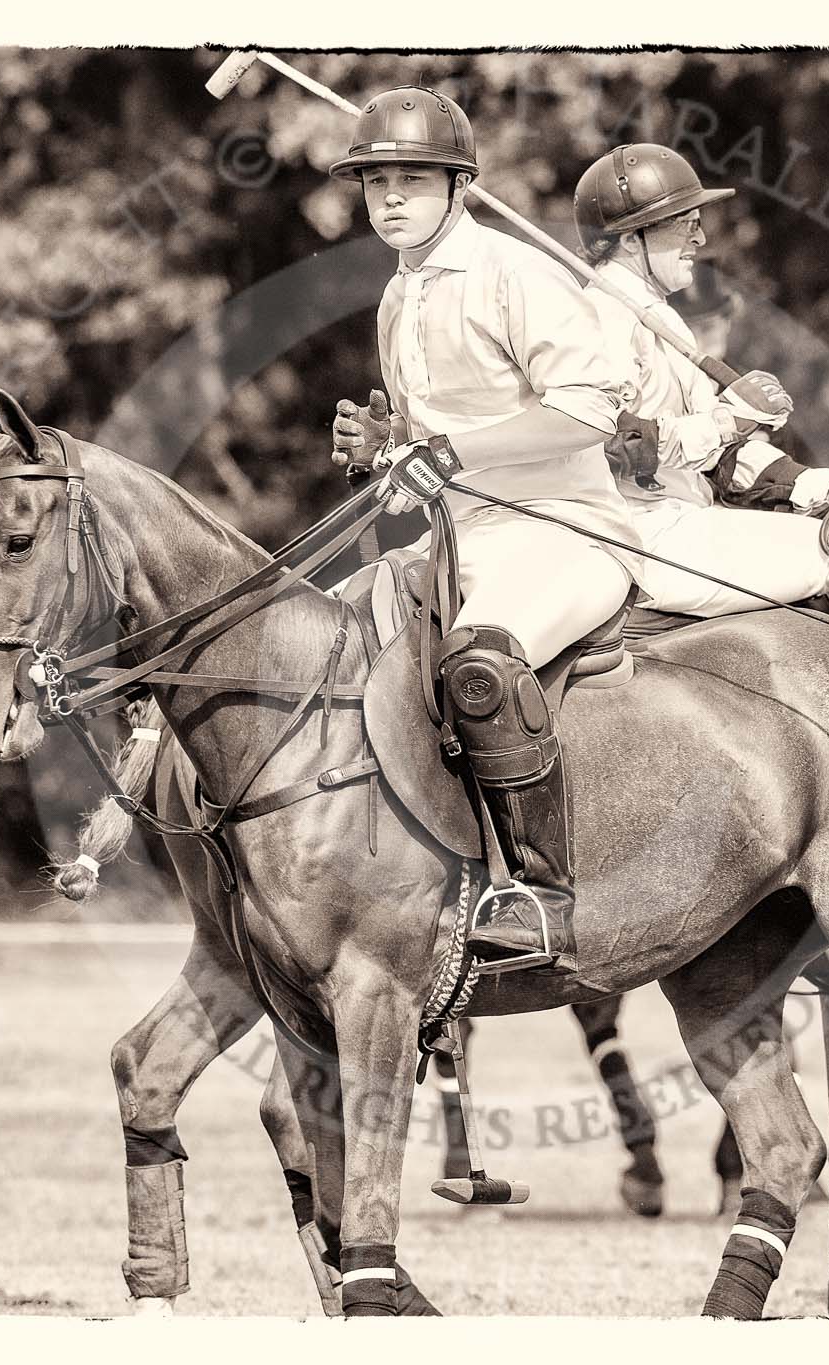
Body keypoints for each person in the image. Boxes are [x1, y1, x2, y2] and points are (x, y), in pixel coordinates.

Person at [327, 87, 641, 971]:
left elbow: (590, 412)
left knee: (481, 660)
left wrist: (452, 453)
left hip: (566, 531)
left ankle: (541, 895)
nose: (389, 196)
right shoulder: (399, 295)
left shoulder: (515, 274)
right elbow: (430, 444)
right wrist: (385, 444)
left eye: (412, 178)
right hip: (459, 540)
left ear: (459, 185)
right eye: (375, 180)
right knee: (328, 643)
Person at [573, 144, 829, 714]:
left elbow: (720, 456)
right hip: (639, 538)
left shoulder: (655, 314)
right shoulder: (603, 317)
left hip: (682, 523)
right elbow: (609, 444)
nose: (700, 239)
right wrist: (728, 418)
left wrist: (812, 485)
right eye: (685, 225)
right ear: (634, 235)